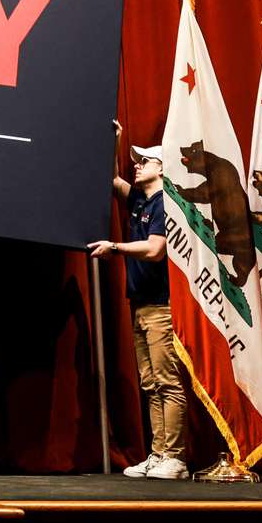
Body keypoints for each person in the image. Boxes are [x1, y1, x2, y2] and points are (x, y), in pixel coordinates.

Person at [89, 123, 186, 480]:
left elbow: (156, 249)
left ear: (162, 168)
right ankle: (158, 453)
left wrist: (115, 248)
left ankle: (174, 456)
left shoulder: (164, 203)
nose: (137, 164)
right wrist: (114, 139)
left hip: (161, 304)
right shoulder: (141, 200)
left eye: (145, 161)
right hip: (141, 303)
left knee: (166, 380)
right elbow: (113, 180)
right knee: (150, 382)